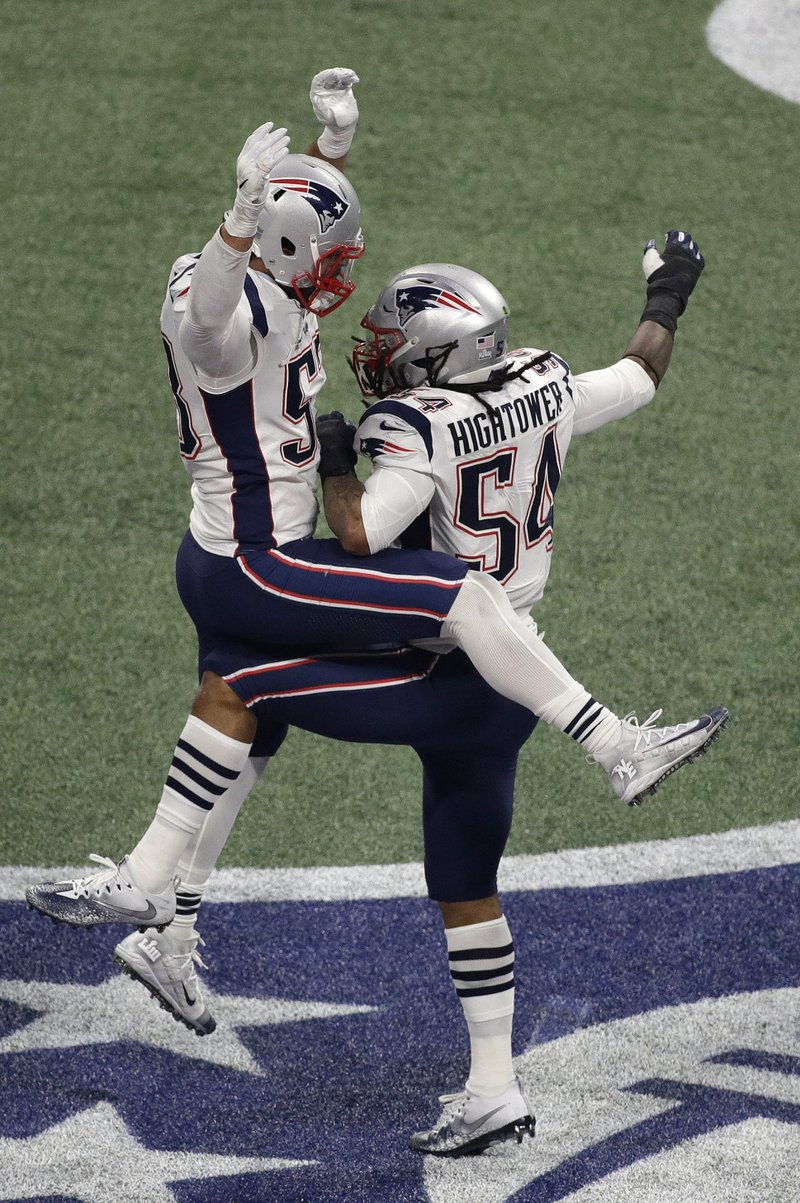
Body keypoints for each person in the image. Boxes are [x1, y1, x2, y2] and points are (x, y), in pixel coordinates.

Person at [111, 233, 724, 1157]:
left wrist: (331, 459)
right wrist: (669, 289)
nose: (379, 359)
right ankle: (495, 1091)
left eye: (397, 348)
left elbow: (361, 533)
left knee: (237, 676)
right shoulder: (545, 381)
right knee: (467, 885)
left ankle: (164, 900)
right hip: (513, 684)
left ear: (438, 355)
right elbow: (640, 371)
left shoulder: (419, 424)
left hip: (432, 669)